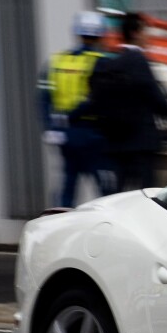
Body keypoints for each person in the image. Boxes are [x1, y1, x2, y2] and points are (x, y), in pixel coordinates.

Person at [74, 12, 167, 193]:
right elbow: (154, 95)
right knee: (147, 195)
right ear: (135, 33)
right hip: (141, 141)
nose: (148, 36)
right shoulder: (138, 60)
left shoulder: (109, 63)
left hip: (116, 141)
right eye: (145, 31)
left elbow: (94, 99)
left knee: (119, 195)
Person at [39, 11, 111, 206]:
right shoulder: (102, 61)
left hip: (65, 134)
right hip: (95, 134)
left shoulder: (56, 61)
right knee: (106, 189)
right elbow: (98, 99)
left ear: (77, 33)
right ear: (101, 34)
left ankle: (61, 222)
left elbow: (44, 97)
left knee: (68, 184)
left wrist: (50, 126)